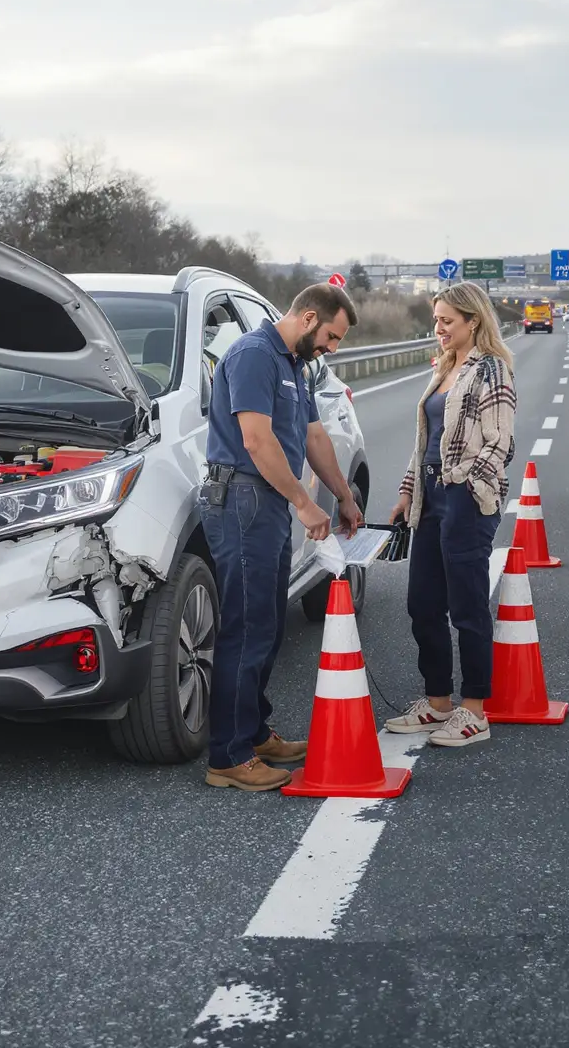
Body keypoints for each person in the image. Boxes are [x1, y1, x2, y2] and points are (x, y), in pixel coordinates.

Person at [201, 284, 364, 791]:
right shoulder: (254, 355)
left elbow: (312, 436)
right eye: (332, 337)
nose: (332, 348)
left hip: (266, 503)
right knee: (246, 629)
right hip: (243, 501)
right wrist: (303, 501)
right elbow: (256, 438)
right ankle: (228, 757)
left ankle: (253, 732)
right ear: (309, 316)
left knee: (267, 625)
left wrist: (343, 494)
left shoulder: (295, 364)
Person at [386, 282, 516, 748]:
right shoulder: (443, 367)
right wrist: (407, 491)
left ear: (473, 321)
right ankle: (437, 701)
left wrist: (466, 484)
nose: (437, 328)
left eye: (447, 321)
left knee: (465, 608)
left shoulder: (491, 370)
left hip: (466, 500)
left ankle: (475, 710)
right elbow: (425, 441)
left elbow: (501, 442)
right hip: (429, 500)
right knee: (422, 603)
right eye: (436, 319)